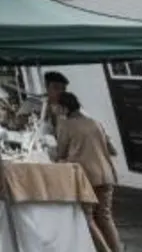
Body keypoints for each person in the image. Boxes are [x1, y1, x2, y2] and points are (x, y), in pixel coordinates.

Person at [55, 93, 122, 252]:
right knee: (105, 217)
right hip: (106, 175)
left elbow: (60, 154)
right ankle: (117, 249)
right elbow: (112, 150)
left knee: (87, 218)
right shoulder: (95, 122)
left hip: (85, 177)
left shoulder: (66, 125)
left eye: (58, 107)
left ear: (64, 108)